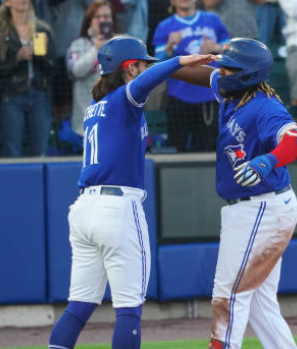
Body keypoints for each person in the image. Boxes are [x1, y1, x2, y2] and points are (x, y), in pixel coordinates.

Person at [47, 36, 215, 349]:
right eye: (141, 63)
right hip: (117, 209)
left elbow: (143, 79)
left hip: (84, 209)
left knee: (79, 307)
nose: (145, 67)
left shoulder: (96, 106)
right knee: (128, 310)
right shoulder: (123, 99)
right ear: (130, 68)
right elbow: (145, 81)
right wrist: (178, 61)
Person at [171, 38, 297, 349]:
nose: (220, 70)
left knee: (230, 295)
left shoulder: (265, 106)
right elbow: (203, 75)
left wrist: (268, 160)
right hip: (259, 207)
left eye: (228, 67)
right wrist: (162, 66)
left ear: (246, 74)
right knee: (259, 302)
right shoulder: (234, 91)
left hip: (262, 207)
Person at [152, 0, 229, 152]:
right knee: (178, 148)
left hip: (209, 94)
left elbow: (231, 51)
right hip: (178, 95)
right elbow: (157, 64)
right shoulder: (164, 26)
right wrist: (168, 47)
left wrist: (217, 47)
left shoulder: (212, 19)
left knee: (209, 149)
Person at [0, 0, 54, 157]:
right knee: (12, 151)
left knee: (40, 152)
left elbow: (52, 68)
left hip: (39, 94)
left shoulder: (42, 29)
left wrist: (40, 56)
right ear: (7, 3)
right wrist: (17, 59)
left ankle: (38, 182)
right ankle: (12, 182)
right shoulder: (0, 32)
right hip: (12, 96)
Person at [66, 0, 119, 137]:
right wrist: (97, 48)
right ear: (89, 21)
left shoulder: (121, 42)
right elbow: (75, 72)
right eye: (97, 16)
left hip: (115, 119)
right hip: (86, 119)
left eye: (106, 17)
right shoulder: (77, 44)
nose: (102, 20)